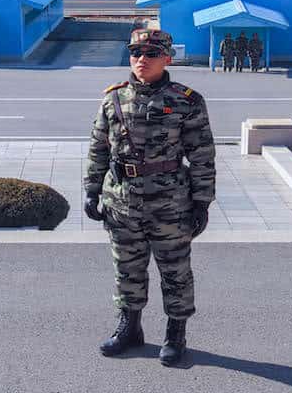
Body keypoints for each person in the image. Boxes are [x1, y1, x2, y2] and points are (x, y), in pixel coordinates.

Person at [84, 28, 216, 367]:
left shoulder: (186, 100)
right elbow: (99, 148)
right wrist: (91, 190)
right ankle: (130, 328)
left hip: (170, 204)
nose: (142, 59)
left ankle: (176, 334)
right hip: (121, 201)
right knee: (127, 267)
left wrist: (202, 202)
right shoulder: (113, 98)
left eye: (151, 53)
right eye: (136, 52)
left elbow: (202, 155)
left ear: (167, 58)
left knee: (175, 271)